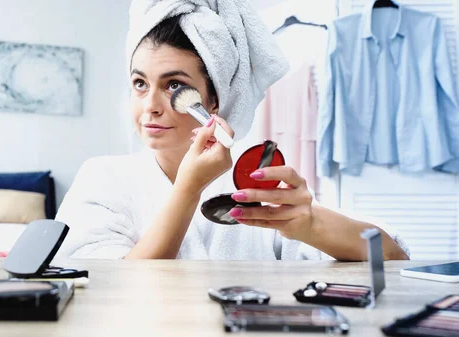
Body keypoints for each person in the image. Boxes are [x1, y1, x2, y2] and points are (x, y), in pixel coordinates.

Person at [56, 0, 409, 261]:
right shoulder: (102, 178)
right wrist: (188, 190)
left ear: (213, 100)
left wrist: (308, 223)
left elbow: (391, 255)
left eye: (174, 85)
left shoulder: (253, 184)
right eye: (139, 83)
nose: (150, 104)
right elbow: (109, 290)